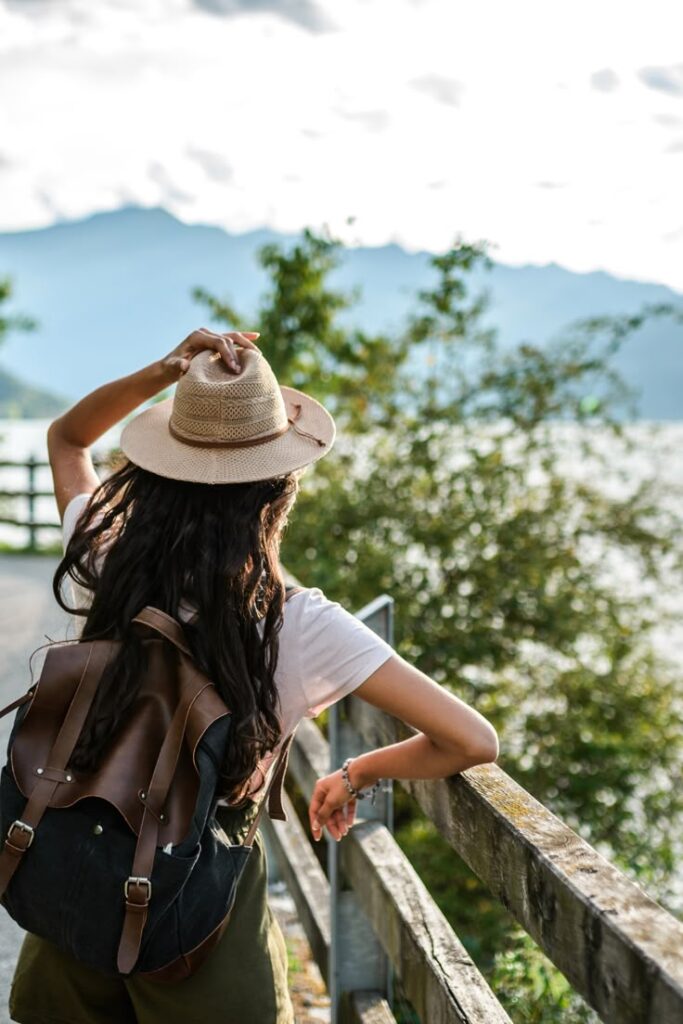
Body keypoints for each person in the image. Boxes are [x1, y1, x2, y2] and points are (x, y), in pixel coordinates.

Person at [8, 328, 499, 1024]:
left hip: (77, 876)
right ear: (279, 488)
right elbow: (469, 739)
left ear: (154, 470)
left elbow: (66, 439)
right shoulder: (299, 624)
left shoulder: (107, 555)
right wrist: (353, 773)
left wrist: (166, 369)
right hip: (199, 908)